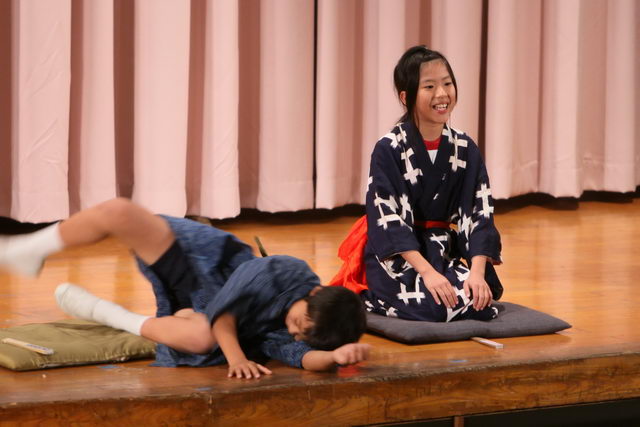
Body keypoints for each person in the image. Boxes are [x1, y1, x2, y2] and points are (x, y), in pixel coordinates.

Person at [0, 198, 369, 378]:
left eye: (300, 335)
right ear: (315, 294)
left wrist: (335, 358)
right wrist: (237, 358)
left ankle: (106, 313)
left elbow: (303, 358)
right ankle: (29, 248)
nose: (293, 332)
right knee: (119, 212)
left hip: (202, 316)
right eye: (299, 323)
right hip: (198, 263)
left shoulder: (300, 333)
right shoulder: (287, 271)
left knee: (202, 338)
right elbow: (225, 311)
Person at [330, 45, 503, 323]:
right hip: (400, 256)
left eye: (447, 84)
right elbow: (386, 216)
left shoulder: (464, 147)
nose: (442, 94)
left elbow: (479, 212)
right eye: (429, 87)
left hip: (442, 249)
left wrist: (477, 273)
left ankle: (447, 287)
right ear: (406, 96)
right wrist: (427, 273)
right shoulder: (389, 148)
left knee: (479, 299)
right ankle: (371, 296)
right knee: (436, 307)